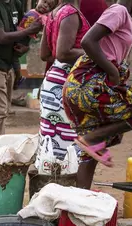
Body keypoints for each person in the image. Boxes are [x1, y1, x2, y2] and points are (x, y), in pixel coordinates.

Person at [63, 0, 132, 189]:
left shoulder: (124, 16)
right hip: (88, 83)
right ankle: (91, 139)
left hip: (88, 83)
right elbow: (88, 41)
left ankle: (79, 201)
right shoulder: (119, 11)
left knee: (91, 154)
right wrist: (113, 72)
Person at [0, 0, 42, 136]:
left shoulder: (16, 4)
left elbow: (21, 31)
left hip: (8, 66)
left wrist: (24, 47)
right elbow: (1, 37)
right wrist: (29, 30)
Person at [38, 0, 90, 160]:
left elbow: (45, 55)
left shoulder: (54, 14)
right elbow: (63, 53)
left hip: (53, 80)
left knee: (53, 139)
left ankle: (51, 179)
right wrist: (97, 51)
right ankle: (63, 180)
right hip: (67, 83)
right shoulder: (70, 14)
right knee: (68, 142)